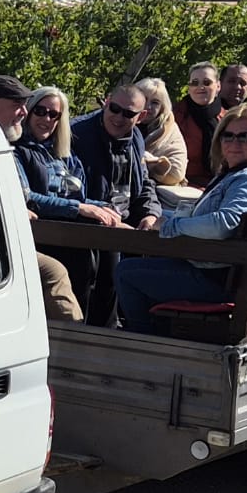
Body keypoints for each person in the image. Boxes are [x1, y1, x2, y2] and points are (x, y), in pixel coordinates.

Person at [114, 105, 247, 331]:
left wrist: (171, 226)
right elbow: (205, 217)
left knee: (125, 272)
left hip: (222, 281)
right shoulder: (243, 173)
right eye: (228, 135)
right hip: (224, 271)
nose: (235, 143)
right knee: (146, 263)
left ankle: (145, 343)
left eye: (245, 137)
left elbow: (223, 224)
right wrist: (154, 215)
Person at [0, 74, 82, 321]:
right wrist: (8, 208)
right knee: (53, 271)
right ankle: (74, 348)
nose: (24, 112)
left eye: (53, 114)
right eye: (18, 105)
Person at [70, 83, 163, 323]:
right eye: (114, 108)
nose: (119, 117)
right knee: (108, 255)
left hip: (125, 222)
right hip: (89, 223)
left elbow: (144, 185)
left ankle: (139, 329)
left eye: (129, 113)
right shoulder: (78, 135)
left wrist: (150, 214)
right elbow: (68, 191)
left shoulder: (136, 139)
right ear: (106, 102)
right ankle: (101, 331)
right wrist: (109, 217)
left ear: (141, 117)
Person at [13, 87, 122, 227]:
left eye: (53, 115)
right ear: (28, 112)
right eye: (40, 111)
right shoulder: (16, 150)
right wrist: (78, 208)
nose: (46, 119)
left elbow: (77, 198)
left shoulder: (63, 154)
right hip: (42, 231)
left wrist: (104, 207)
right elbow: (27, 197)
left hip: (72, 228)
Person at [173, 64, 224, 186]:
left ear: (218, 86)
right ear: (189, 87)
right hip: (182, 185)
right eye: (195, 83)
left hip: (219, 183)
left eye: (207, 82)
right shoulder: (176, 117)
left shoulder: (228, 118)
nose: (200, 87)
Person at [135, 75, 187, 186]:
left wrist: (152, 163)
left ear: (162, 107)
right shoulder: (119, 121)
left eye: (155, 103)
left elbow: (177, 172)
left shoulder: (170, 130)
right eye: (144, 99)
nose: (148, 106)